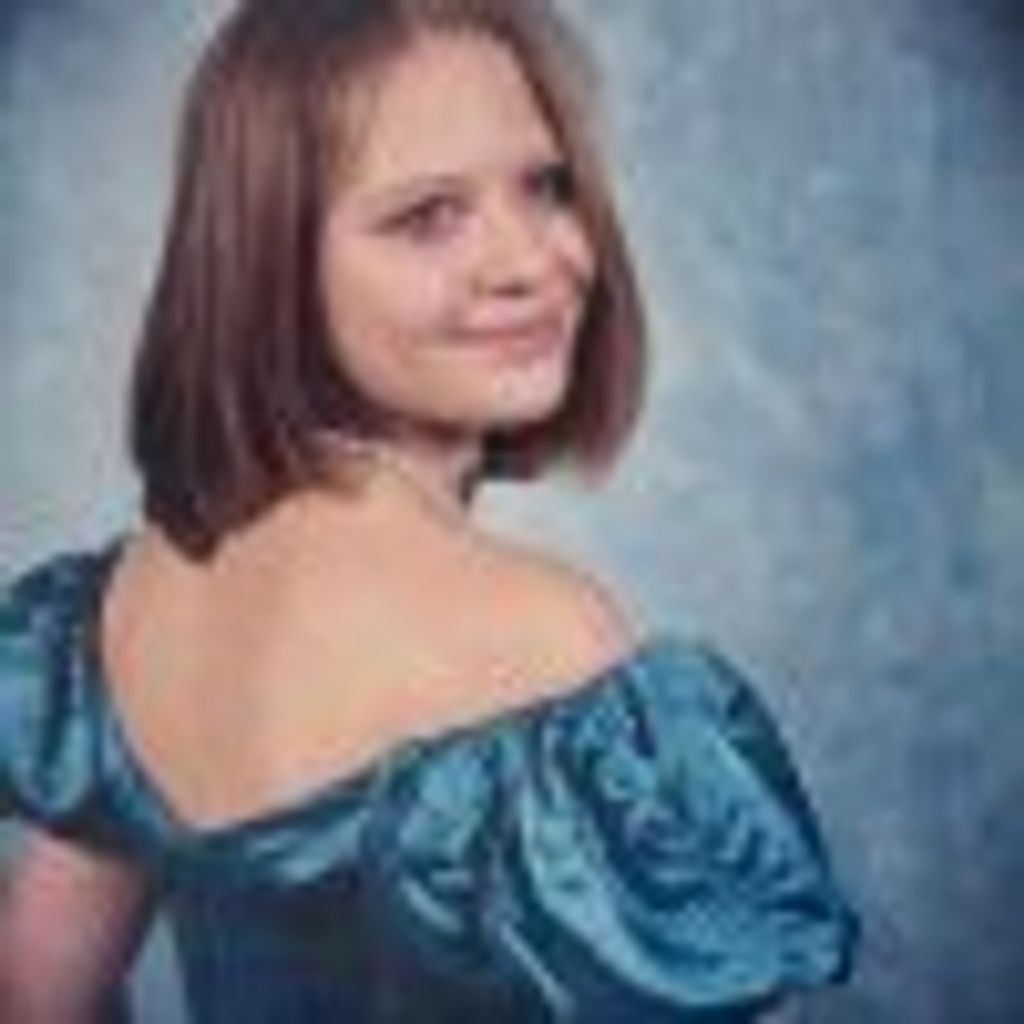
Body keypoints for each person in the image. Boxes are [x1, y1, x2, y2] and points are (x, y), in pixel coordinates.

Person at [0, 0, 857, 1019]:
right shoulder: (540, 634)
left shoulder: (136, 595)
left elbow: (33, 993)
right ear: (273, 264)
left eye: (544, 187)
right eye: (427, 216)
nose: (530, 262)